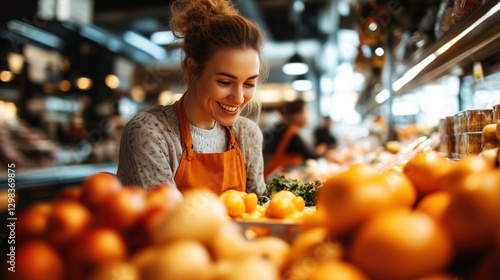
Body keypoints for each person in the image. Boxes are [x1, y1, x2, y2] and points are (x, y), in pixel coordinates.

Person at [117, 0, 267, 195]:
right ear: (193, 69)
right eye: (225, 82)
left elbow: (261, 213)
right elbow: (167, 220)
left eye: (248, 84)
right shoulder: (151, 134)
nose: (239, 98)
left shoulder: (247, 135)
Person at [263, 99, 319, 179]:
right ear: (297, 115)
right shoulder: (291, 132)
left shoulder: (280, 126)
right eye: (307, 111)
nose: (310, 115)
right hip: (276, 177)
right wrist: (321, 151)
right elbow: (310, 155)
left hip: (273, 174)